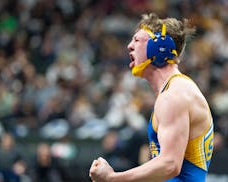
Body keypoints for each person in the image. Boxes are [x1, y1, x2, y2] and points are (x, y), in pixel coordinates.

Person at [89, 13, 214, 182]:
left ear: (159, 47)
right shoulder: (173, 91)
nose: (129, 46)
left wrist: (113, 178)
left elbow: (170, 164)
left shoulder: (174, 95)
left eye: (137, 40)